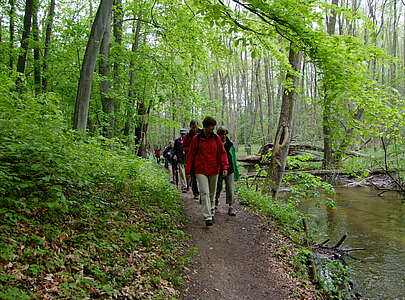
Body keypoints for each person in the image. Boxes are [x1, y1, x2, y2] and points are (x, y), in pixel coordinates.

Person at [186, 116, 229, 226]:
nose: (212, 130)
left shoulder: (216, 138)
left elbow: (222, 153)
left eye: (213, 128)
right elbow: (191, 154)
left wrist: (225, 167)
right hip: (200, 169)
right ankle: (207, 216)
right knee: (204, 192)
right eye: (210, 127)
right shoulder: (197, 139)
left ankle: (212, 211)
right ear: (205, 127)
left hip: (214, 169)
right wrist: (188, 170)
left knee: (211, 193)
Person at [215, 126, 240, 216]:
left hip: (230, 169)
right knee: (218, 187)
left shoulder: (230, 144)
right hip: (218, 169)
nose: (224, 135)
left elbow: (233, 158)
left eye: (225, 133)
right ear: (219, 134)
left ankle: (231, 207)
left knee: (230, 188)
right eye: (222, 134)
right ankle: (215, 203)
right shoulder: (216, 143)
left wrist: (236, 171)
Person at [183, 119, 203, 199]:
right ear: (190, 127)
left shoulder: (202, 133)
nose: (194, 129)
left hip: (202, 158)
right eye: (192, 127)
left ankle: (203, 193)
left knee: (202, 176)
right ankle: (196, 193)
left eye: (195, 127)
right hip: (191, 159)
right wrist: (191, 149)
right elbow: (184, 147)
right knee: (193, 177)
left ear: (198, 125)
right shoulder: (188, 135)